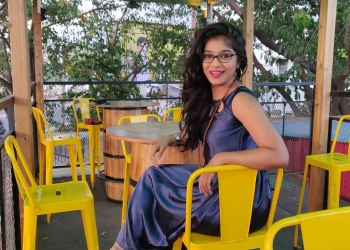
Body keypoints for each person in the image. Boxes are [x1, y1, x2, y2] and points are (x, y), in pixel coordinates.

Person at [110, 21, 289, 250]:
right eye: (208, 56)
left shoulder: (242, 100)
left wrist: (222, 159)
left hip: (241, 203)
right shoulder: (211, 96)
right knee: (152, 180)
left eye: (225, 56)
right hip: (217, 188)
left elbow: (280, 156)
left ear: (239, 61)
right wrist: (172, 136)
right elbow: (205, 128)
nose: (215, 63)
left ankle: (123, 247)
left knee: (153, 185)